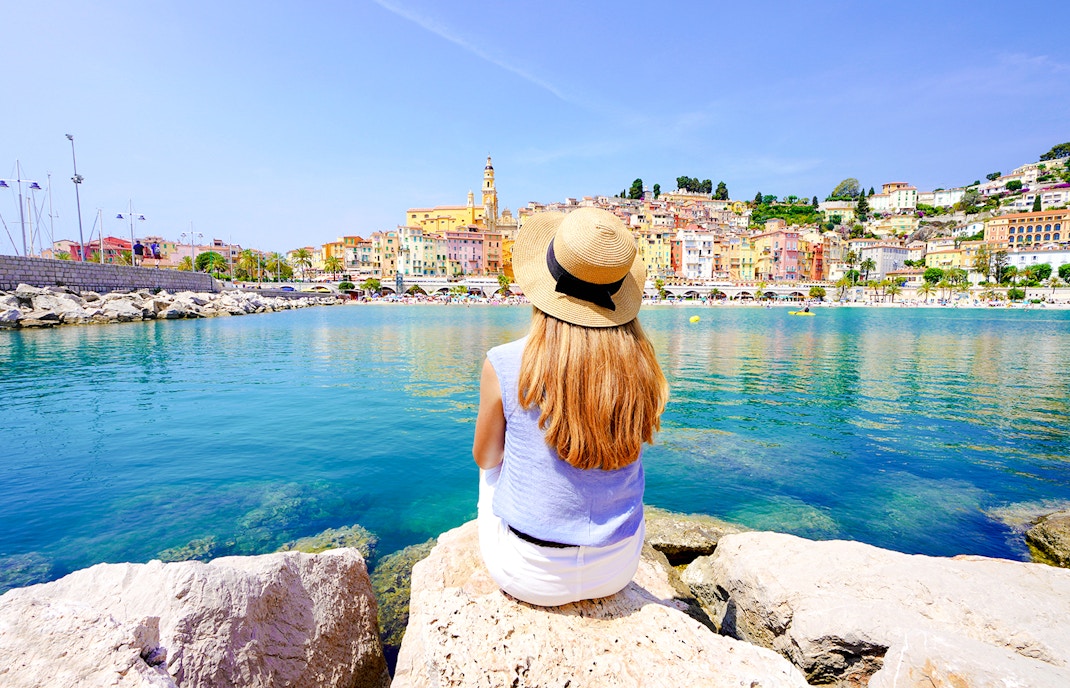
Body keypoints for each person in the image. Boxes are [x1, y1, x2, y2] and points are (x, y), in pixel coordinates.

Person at [473, 208, 669, 607]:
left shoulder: (505, 361)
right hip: (617, 566)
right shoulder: (642, 363)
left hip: (528, 573)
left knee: (492, 471)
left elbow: (486, 457)